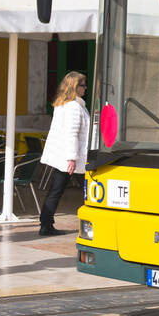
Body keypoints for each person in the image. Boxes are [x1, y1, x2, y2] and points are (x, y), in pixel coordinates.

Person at [39, 72, 90, 236]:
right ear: (75, 87)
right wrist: (72, 158)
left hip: (65, 155)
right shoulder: (74, 107)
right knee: (87, 191)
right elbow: (71, 133)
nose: (85, 88)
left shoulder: (63, 105)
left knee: (56, 189)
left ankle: (46, 224)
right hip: (71, 157)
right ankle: (47, 225)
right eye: (83, 85)